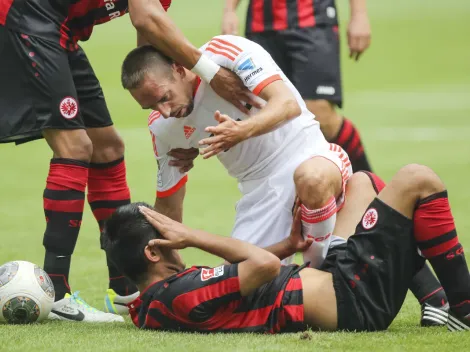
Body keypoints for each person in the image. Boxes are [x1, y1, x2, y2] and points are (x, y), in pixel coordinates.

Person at [0, 0, 259, 322]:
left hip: (59, 32)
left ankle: (123, 291)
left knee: (107, 147)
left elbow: (148, 40)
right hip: (25, 17)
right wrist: (210, 72)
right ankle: (56, 294)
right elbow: (146, 17)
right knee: (75, 146)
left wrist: (169, 110)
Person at [103, 164, 470, 333]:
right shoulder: (177, 295)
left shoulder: (161, 298)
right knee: (418, 180)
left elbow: (251, 274)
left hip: (334, 280)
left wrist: (288, 246)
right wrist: (193, 234)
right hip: (354, 300)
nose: (177, 234)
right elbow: (261, 266)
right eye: (167, 231)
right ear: (154, 251)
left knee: (361, 183)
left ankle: (436, 299)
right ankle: (463, 309)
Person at [121, 35, 355, 269]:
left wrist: (242, 130)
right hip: (259, 194)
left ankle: (320, 269)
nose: (164, 112)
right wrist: (166, 270)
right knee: (235, 290)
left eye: (165, 98)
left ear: (179, 69)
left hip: (309, 153)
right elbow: (169, 206)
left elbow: (287, 104)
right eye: (151, 106)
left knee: (312, 179)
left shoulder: (225, 53)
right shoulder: (161, 127)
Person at [222, 0, 374, 172]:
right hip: (261, 26)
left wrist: (359, 14)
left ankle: (368, 184)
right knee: (269, 116)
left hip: (314, 20)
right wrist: (229, 10)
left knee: (319, 113)